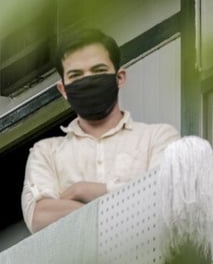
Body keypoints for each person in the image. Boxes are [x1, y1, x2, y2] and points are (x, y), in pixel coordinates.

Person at [22, 28, 180, 232]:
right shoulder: (46, 153)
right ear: (63, 90)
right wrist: (127, 202)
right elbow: (39, 215)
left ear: (119, 77)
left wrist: (83, 190)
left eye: (98, 71)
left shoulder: (158, 137)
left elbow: (164, 200)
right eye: (76, 75)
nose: (88, 80)